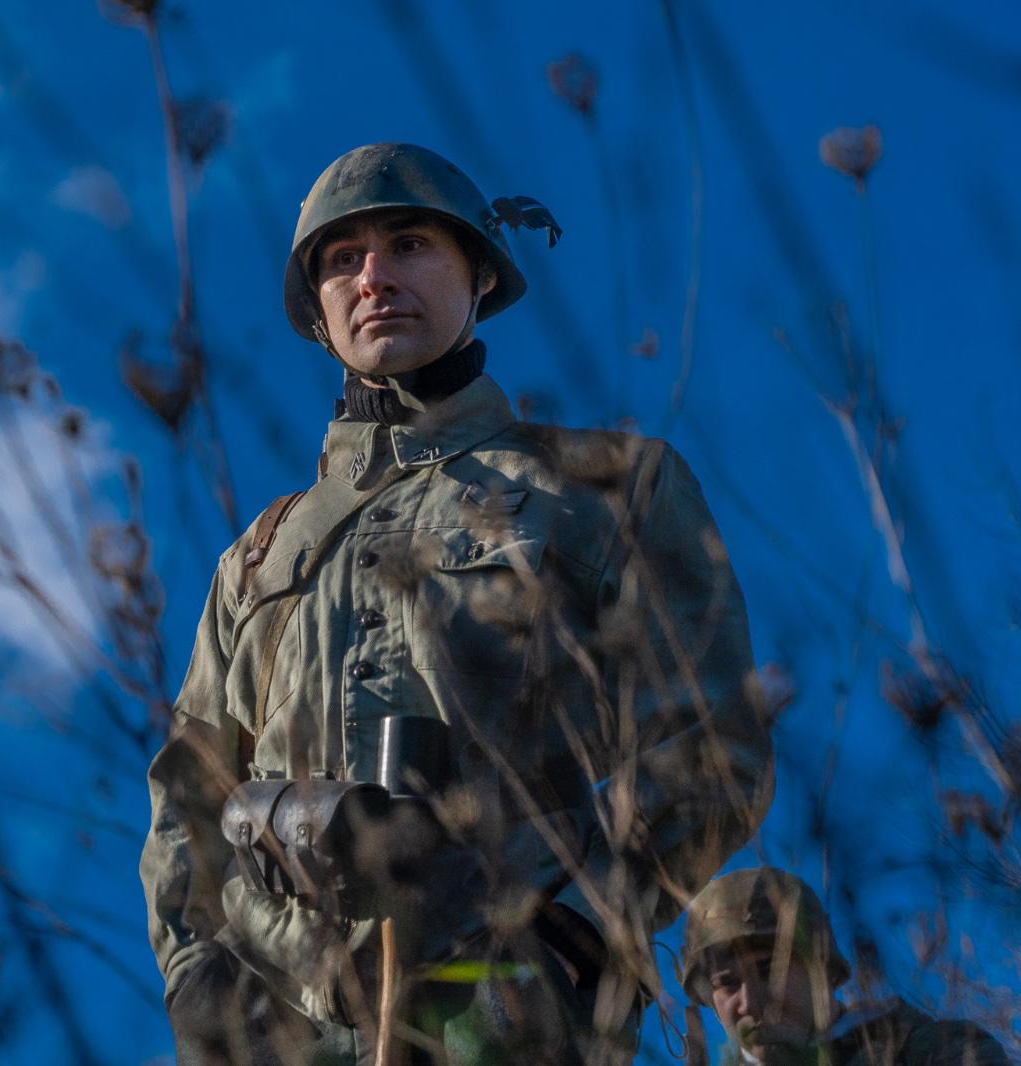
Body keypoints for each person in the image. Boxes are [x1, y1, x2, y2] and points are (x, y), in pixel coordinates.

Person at [140, 142, 774, 1065]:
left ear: (479, 272)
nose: (374, 278)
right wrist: (199, 982)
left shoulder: (601, 487)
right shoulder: (260, 552)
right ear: (316, 310)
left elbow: (714, 746)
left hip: (506, 1011)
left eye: (408, 244)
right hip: (285, 1024)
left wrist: (569, 935)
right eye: (341, 259)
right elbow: (188, 796)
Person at [681, 867, 1008, 1066]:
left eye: (770, 970)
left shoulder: (934, 1053)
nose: (749, 1002)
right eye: (727, 983)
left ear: (822, 972)